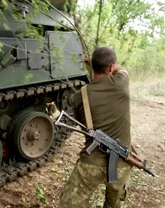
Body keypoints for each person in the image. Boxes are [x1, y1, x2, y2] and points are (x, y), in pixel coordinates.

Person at [59, 47, 132, 208]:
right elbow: (120, 70)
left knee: (70, 204)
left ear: (93, 66)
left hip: (91, 164)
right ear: (111, 68)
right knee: (114, 203)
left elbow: (84, 124)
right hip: (121, 163)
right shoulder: (122, 82)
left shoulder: (79, 96)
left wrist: (92, 65)